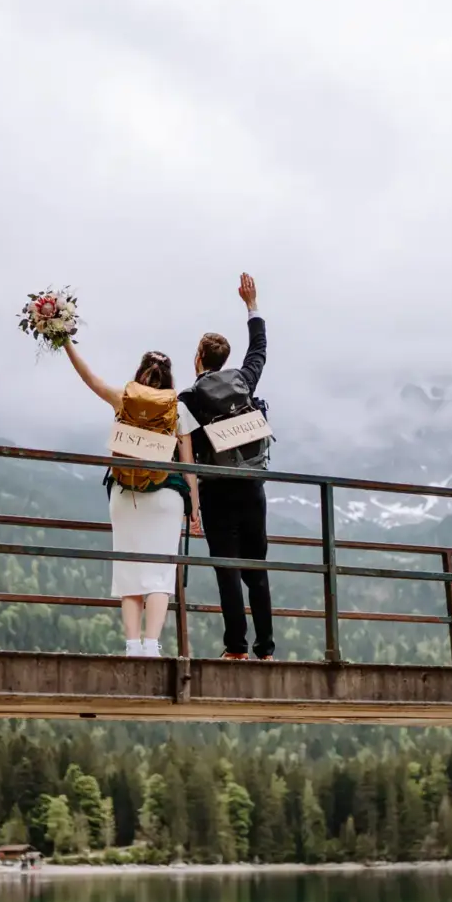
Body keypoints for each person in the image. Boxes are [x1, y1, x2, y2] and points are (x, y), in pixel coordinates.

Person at [62, 342, 202, 657]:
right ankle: (152, 646)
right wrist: (195, 507)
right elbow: (188, 464)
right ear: (169, 378)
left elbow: (89, 378)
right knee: (160, 574)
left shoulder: (122, 399)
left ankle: (132, 646)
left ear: (140, 372)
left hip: (125, 494)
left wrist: (65, 342)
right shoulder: (178, 409)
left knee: (129, 571)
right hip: (166, 496)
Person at [179, 273, 273, 660]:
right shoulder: (244, 382)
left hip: (217, 490)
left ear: (199, 359)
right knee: (256, 568)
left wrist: (190, 504)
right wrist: (252, 305)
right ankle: (266, 649)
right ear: (225, 360)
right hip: (252, 485)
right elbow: (259, 350)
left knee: (227, 570)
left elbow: (182, 449)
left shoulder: (189, 398)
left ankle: (236, 648)